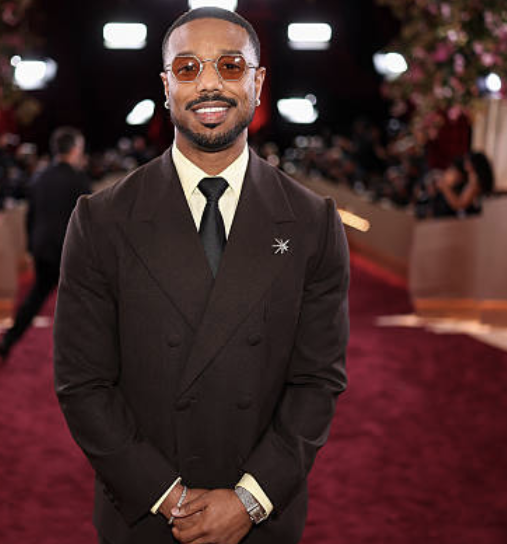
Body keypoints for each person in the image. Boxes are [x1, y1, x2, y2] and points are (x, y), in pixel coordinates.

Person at [53, 8, 349, 544]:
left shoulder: (312, 222)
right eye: (187, 68)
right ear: (166, 88)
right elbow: (83, 385)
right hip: (143, 517)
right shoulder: (100, 220)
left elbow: (317, 381)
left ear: (258, 83)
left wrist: (250, 500)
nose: (209, 82)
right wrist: (170, 499)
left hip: (263, 520)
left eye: (230, 66)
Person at [0, 127, 90, 361]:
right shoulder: (78, 179)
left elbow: (31, 216)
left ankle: (8, 340)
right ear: (76, 149)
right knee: (90, 305)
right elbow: (88, 219)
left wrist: (30, 247)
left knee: (36, 297)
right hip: (71, 250)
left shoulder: (39, 177)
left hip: (43, 248)